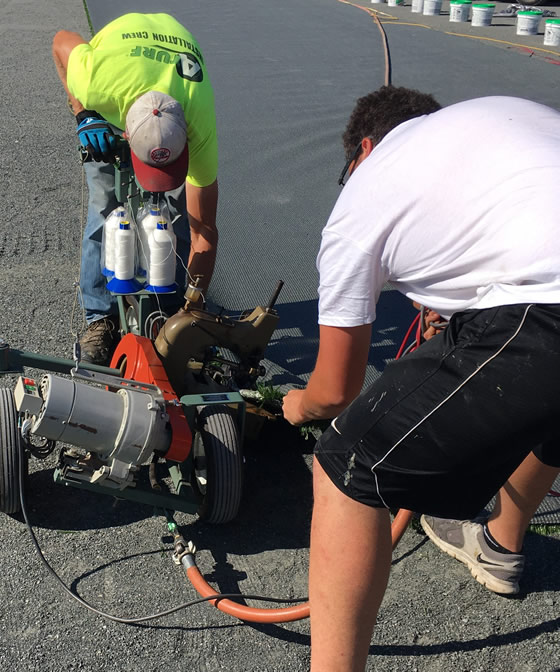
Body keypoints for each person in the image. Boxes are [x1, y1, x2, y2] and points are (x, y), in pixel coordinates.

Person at [281, 86, 560, 672]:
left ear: (363, 148)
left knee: (348, 464)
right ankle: (499, 543)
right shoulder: (495, 118)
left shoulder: (363, 196)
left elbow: (336, 389)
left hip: (548, 309)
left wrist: (295, 406)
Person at [52, 13, 219, 364]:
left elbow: (204, 231)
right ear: (127, 135)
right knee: (106, 207)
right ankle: (101, 318)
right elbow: (62, 41)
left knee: (175, 217)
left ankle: (171, 309)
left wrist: (194, 306)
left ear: (186, 142)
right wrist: (84, 112)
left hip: (170, 73)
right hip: (112, 99)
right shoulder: (97, 81)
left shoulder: (198, 121)